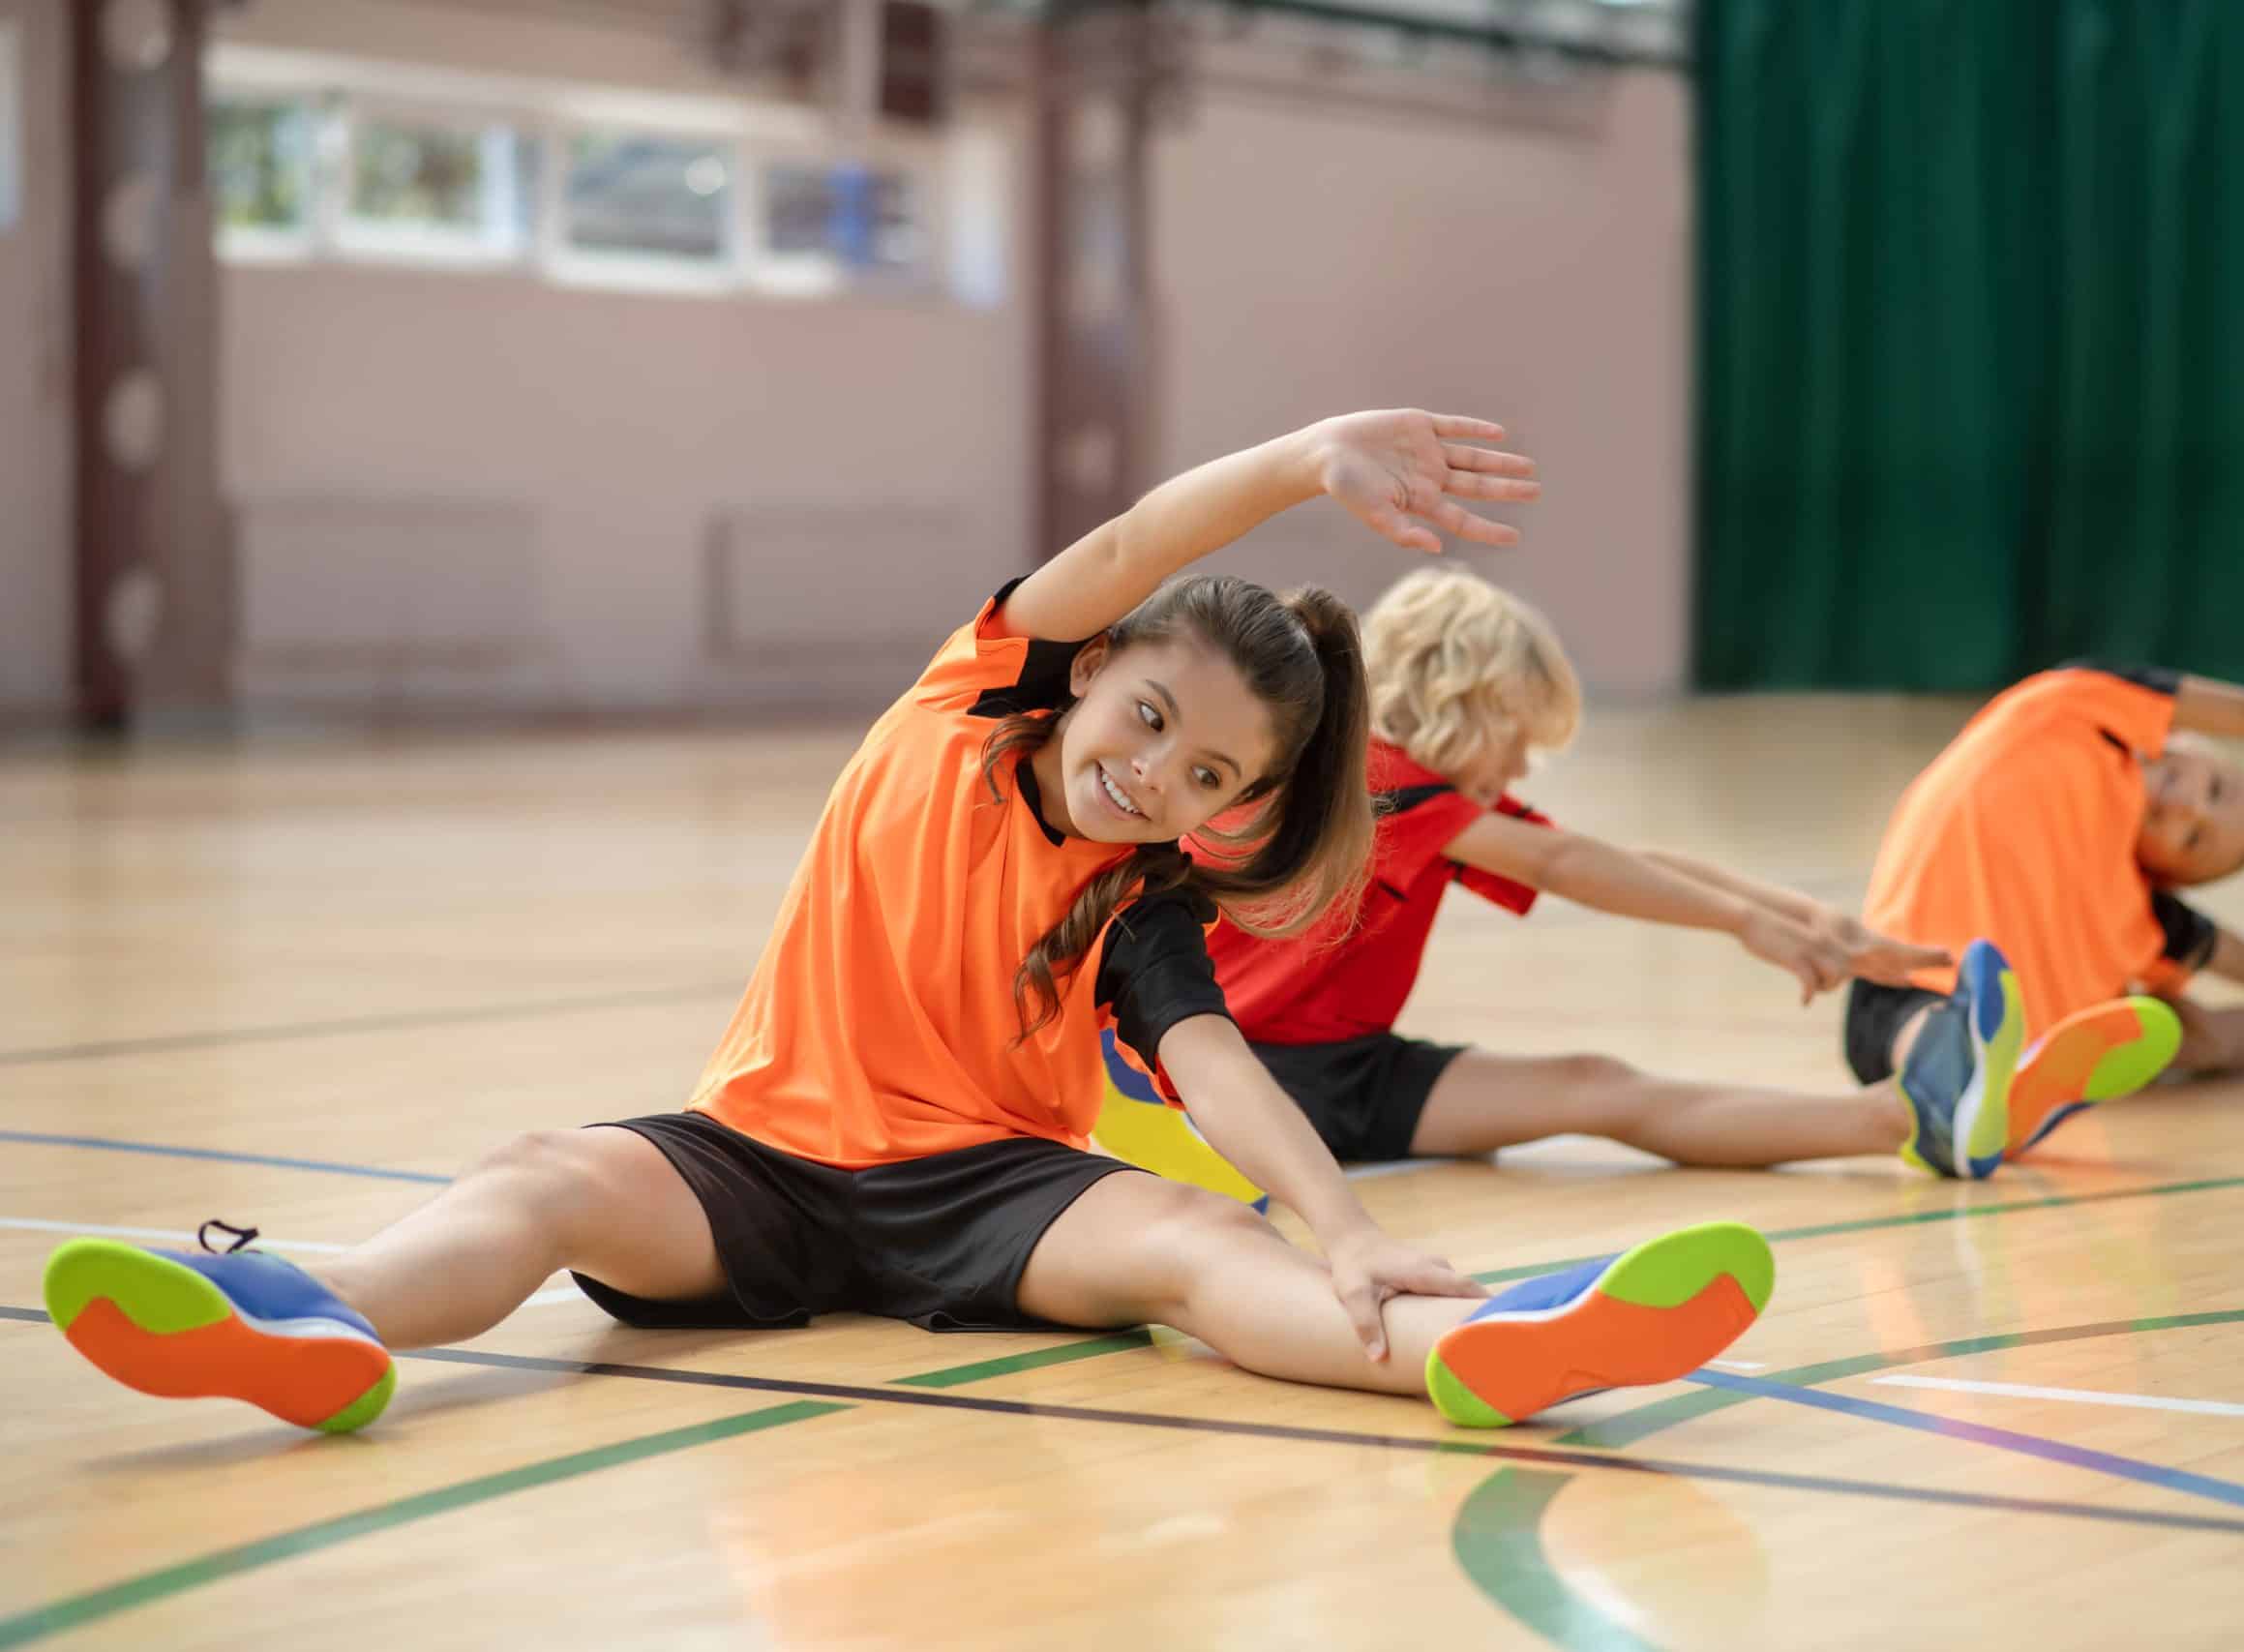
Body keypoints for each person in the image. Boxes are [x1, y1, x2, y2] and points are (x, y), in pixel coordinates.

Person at [42, 410, 1773, 1438]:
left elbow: (1207, 1052)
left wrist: (1334, 1216)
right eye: (1150, 723)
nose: (1157, 777)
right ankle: (314, 1313)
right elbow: (1130, 536)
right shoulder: (967, 697)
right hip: (761, 1164)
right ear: (1087, 668)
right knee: (542, 1173)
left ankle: (1479, 1349)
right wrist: (1307, 458)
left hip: (993, 1197)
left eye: (1210, 776)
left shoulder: (1140, 889)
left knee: (1188, 1243)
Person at [1186, 565, 2056, 1186]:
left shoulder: (1431, 800)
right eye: (1518, 734)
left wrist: (1813, 921)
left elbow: (1618, 859)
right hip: (1261, 1079)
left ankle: (1918, 1117)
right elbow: (1565, 865)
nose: (1523, 763)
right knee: (1597, 1091)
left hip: (1343, 1066)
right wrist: (1743, 926)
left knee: (1599, 1086)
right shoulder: (1379, 783)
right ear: (1465, 703)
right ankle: (1923, 1108)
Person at [1851, 661, 2244, 1155]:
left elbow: (2223, 950)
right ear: (2182, 740)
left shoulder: (2134, 911)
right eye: (2217, 789)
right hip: (1906, 985)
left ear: (2166, 874)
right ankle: (1953, 1091)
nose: (2192, 808)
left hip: (2034, 1052)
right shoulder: (2073, 712)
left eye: (2196, 840)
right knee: (1927, 1022)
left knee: (2180, 1031)